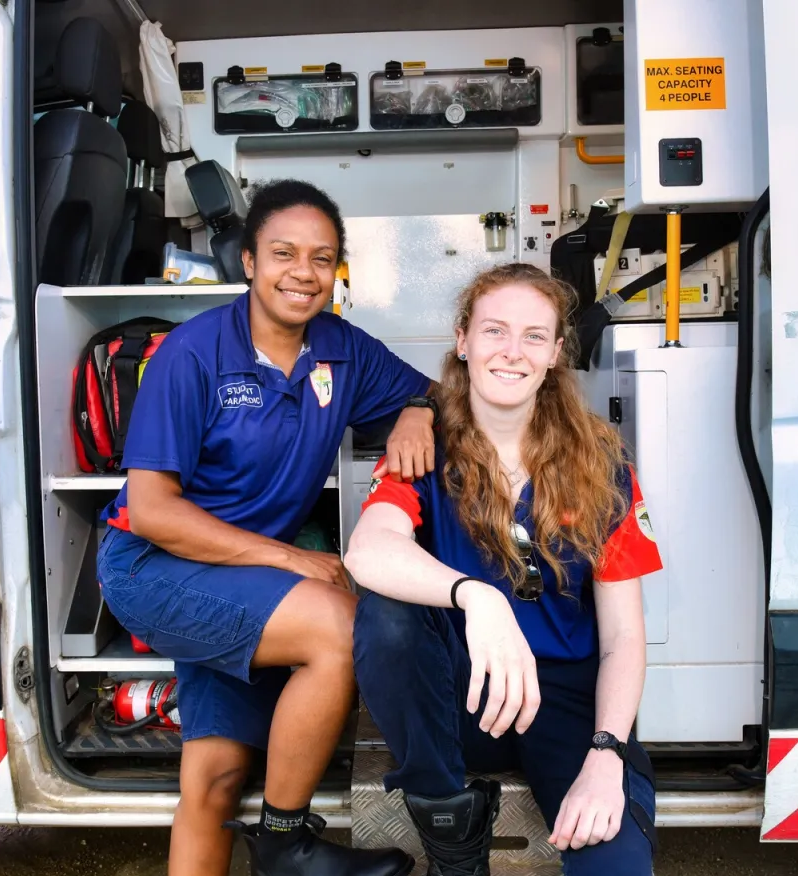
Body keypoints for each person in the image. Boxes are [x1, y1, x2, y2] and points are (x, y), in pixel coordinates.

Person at [96, 179, 439, 876]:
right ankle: (285, 843)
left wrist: (420, 410)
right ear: (248, 261)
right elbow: (155, 511)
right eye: (284, 253)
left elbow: (435, 388)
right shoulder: (190, 355)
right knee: (340, 627)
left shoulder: (341, 350)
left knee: (216, 779)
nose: (303, 273)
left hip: (241, 581)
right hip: (154, 567)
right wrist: (287, 559)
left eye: (321, 258)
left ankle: (274, 843)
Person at [345, 263, 662, 876]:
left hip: (564, 703)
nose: (512, 352)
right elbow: (368, 549)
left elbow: (624, 637)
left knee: (617, 864)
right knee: (385, 611)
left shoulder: (601, 463)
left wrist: (606, 755)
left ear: (555, 354)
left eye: (534, 336)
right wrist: (476, 598)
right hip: (460, 699)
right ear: (463, 342)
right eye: (494, 331)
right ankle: (450, 834)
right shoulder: (424, 448)